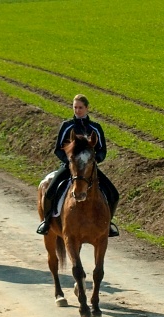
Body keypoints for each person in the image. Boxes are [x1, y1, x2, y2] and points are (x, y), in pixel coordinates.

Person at [36, 94, 120, 237]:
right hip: (70, 167)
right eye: (75, 107)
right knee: (50, 191)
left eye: (80, 107)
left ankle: (108, 224)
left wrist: (92, 162)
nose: (78, 110)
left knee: (113, 194)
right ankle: (47, 221)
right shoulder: (67, 126)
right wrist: (70, 163)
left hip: (89, 169)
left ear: (87, 108)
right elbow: (58, 149)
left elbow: (102, 150)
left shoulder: (96, 127)